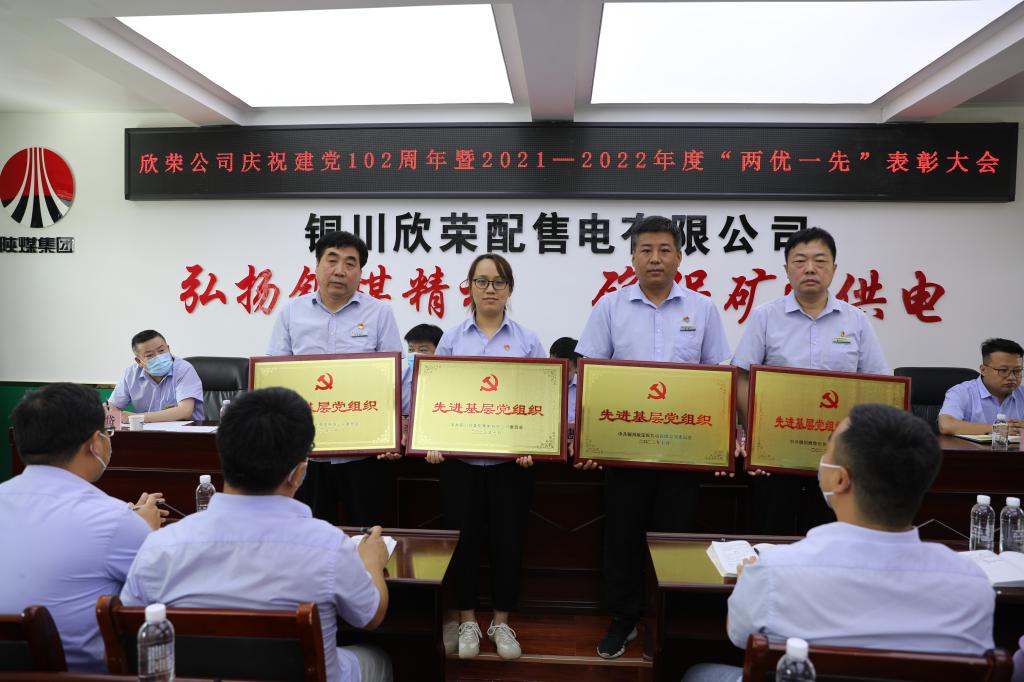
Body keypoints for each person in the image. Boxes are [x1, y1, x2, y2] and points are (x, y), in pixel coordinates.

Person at [683, 404, 995, 682]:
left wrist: (746, 580)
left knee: (696, 673)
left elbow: (739, 634)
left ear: (840, 479)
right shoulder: (973, 584)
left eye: (827, 449)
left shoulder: (773, 571)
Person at [121, 387, 392, 682]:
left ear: (223, 458)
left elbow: (128, 626)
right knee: (379, 658)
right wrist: (372, 562)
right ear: (299, 473)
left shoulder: (159, 546)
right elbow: (370, 616)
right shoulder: (328, 546)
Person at [574, 215, 731, 660]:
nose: (655, 258)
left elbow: (719, 377)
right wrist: (587, 437)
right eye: (646, 250)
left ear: (679, 257)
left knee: (675, 540)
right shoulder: (610, 307)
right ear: (633, 258)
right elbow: (588, 376)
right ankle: (624, 619)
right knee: (622, 537)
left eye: (664, 250)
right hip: (624, 448)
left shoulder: (703, 309)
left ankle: (666, 621)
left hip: (683, 451)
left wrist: (722, 441)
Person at [731, 227, 889, 534]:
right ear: (787, 268)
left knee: (828, 537)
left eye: (820, 260)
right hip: (775, 455)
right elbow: (742, 378)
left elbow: (878, 385)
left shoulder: (856, 321)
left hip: (838, 457)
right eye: (800, 261)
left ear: (834, 269)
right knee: (771, 534)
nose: (810, 269)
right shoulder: (765, 317)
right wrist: (757, 439)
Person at [425, 253, 544, 661]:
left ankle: (501, 621)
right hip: (460, 464)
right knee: (463, 544)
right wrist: (432, 438)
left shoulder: (527, 341)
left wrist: (535, 443)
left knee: (508, 543)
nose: (489, 289)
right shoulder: (452, 339)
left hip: (511, 465)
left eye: (498, 282)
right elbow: (435, 396)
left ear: (509, 289)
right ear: (470, 287)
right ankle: (468, 620)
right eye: (481, 281)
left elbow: (541, 398)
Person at [0, 383, 164, 672]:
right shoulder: (114, 520)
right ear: (95, 443)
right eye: (107, 432)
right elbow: (160, 600)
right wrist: (146, 533)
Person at [267, 230, 403, 525]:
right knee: (308, 535)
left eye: (350, 263)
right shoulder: (291, 312)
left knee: (368, 532)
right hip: (307, 453)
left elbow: (393, 380)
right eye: (332, 260)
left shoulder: (379, 313)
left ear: (360, 272)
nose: (340, 270)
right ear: (317, 266)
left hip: (364, 452)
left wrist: (394, 433)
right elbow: (276, 377)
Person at [109, 329, 204, 423]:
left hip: (186, 430)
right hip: (145, 431)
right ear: (139, 361)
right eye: (150, 355)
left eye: (161, 350)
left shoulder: (184, 369)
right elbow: (112, 407)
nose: (158, 357)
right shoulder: (130, 374)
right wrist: (113, 417)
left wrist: (137, 417)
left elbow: (185, 411)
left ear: (168, 349)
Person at [938, 338, 1024, 435]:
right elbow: (946, 425)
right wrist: (998, 429)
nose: (1012, 377)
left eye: (1017, 371)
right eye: (1003, 370)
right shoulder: (961, 392)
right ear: (983, 370)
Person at [400, 323, 443, 415]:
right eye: (411, 350)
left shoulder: (448, 377)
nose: (415, 354)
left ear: (439, 351)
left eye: (423, 350)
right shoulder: (398, 376)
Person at [549, 336, 580, 424]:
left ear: (577, 367)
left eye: (565, 369)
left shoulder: (586, 389)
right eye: (554, 366)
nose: (559, 372)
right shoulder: (539, 386)